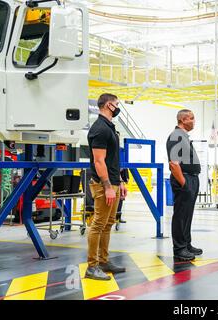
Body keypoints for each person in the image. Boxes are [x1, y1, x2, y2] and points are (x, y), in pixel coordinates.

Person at [86, 93, 128, 280]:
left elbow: (112, 160)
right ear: (109, 105)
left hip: (113, 182)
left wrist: (120, 181)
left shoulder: (110, 127)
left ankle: (103, 260)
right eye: (117, 104)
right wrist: (108, 186)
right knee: (98, 224)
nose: (118, 107)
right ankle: (92, 266)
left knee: (109, 223)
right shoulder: (100, 129)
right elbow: (99, 161)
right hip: (104, 185)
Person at [166, 109, 202, 261]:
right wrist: (184, 184)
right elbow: (174, 164)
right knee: (181, 215)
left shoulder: (184, 137)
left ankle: (186, 244)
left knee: (187, 214)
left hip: (191, 178)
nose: (194, 121)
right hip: (184, 179)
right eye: (191, 118)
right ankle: (179, 248)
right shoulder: (176, 136)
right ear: (182, 120)